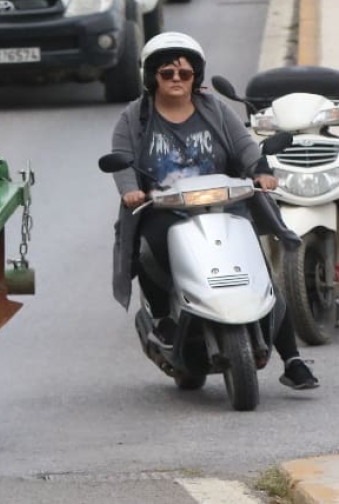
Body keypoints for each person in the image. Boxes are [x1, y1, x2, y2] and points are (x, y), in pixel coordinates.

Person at [109, 32, 319, 390]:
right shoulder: (136, 116)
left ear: (196, 76)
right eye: (167, 74)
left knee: (260, 275)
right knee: (147, 251)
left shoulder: (215, 108)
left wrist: (261, 172)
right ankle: (162, 317)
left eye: (185, 74)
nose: (177, 80)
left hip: (225, 204)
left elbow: (243, 145)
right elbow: (122, 158)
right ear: (152, 77)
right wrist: (131, 191)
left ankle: (292, 358)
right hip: (165, 208)